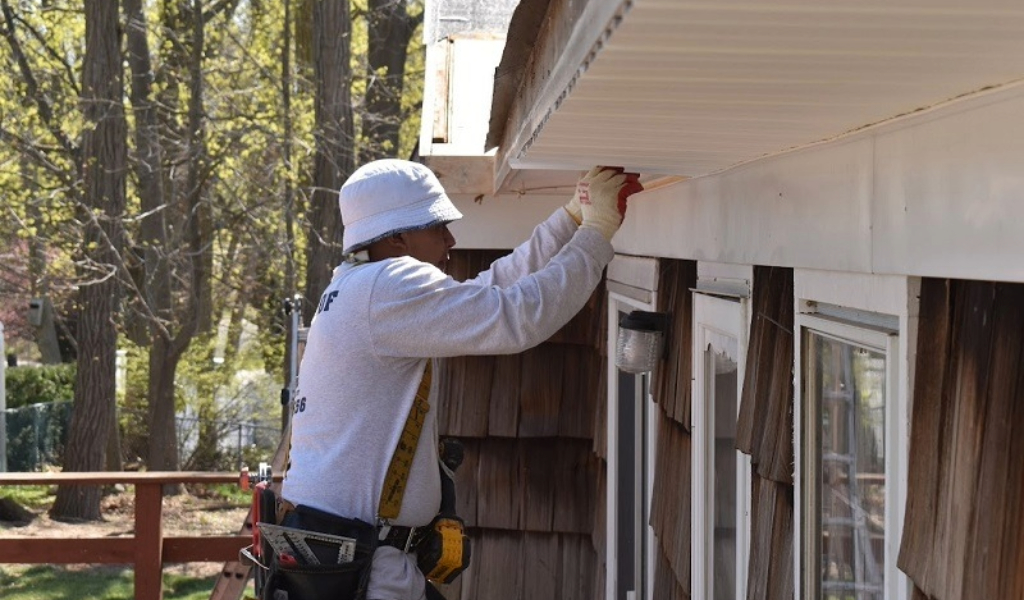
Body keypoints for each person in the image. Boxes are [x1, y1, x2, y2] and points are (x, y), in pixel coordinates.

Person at [279, 159, 642, 600]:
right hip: (368, 570)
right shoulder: (389, 284)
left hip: (351, 557)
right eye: (437, 227)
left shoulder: (357, 286)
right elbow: (516, 317)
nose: (451, 240)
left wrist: (568, 220)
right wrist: (596, 232)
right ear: (396, 239)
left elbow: (489, 291)